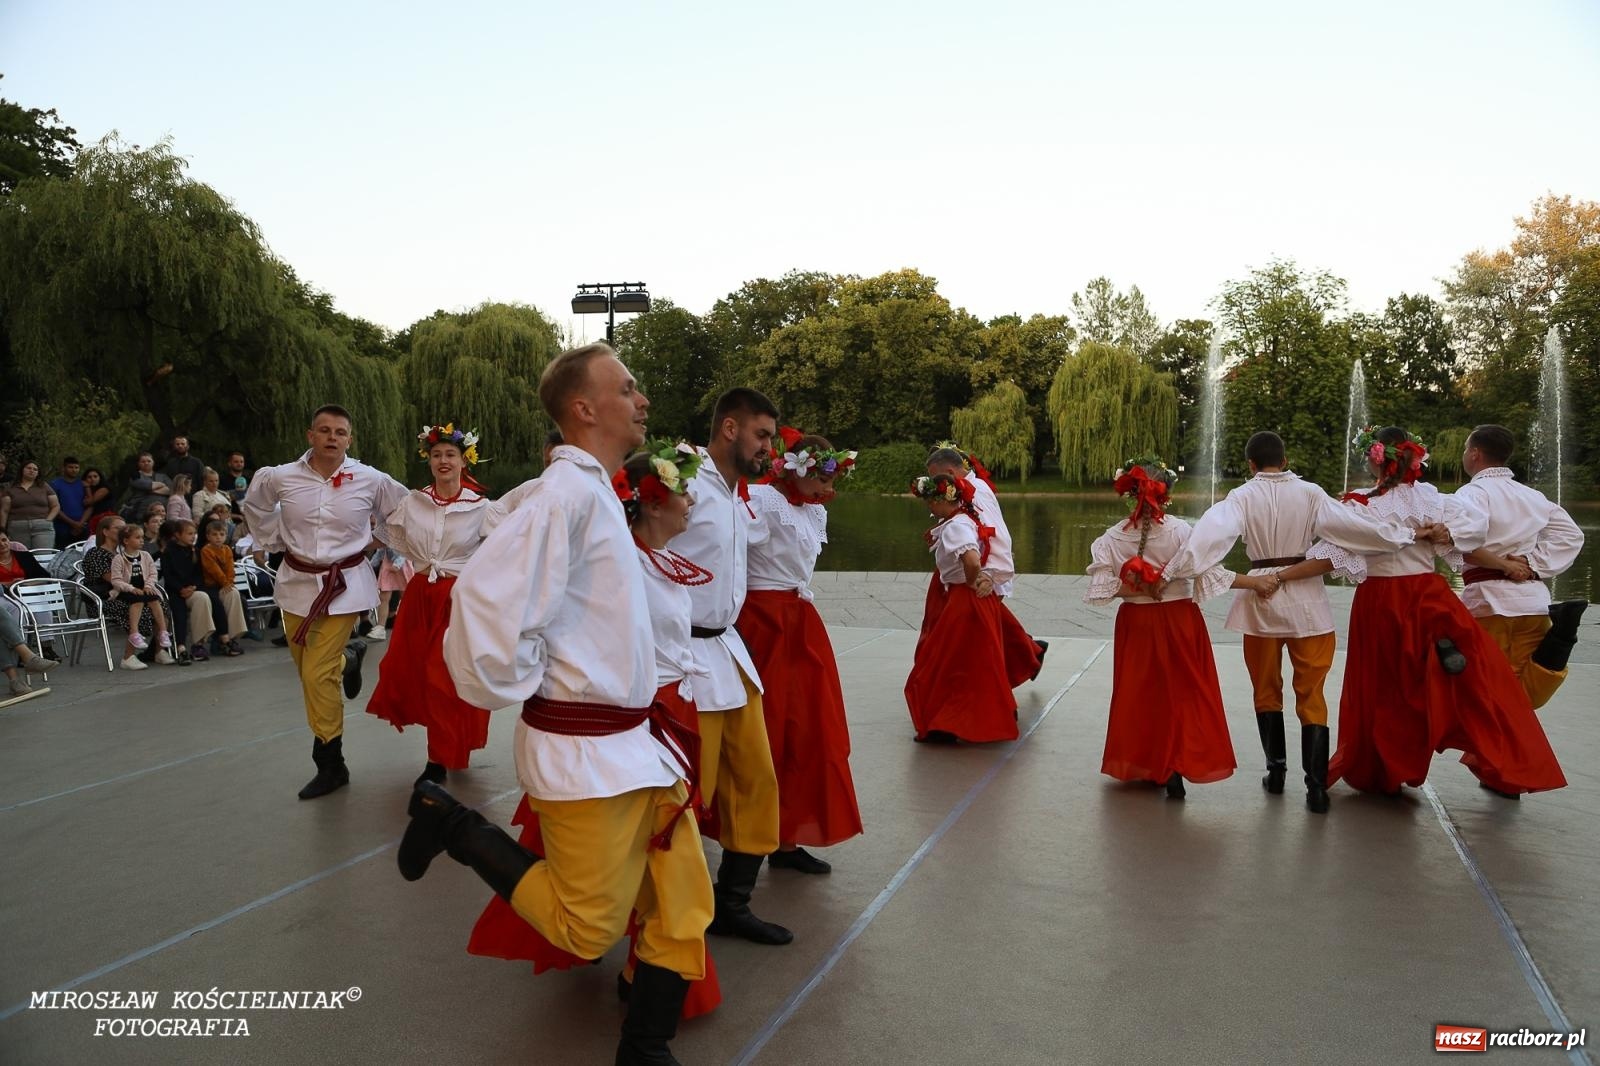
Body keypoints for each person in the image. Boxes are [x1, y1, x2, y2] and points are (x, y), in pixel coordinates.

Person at [405, 343, 713, 1065]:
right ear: (584, 408)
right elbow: (486, 602)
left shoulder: (597, 493)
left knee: (681, 905)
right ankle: (450, 822)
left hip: (638, 746)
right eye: (628, 388)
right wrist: (534, 676)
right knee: (585, 929)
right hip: (585, 751)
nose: (642, 401)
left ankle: (644, 1048)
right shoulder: (565, 495)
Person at [466, 439, 726, 1022]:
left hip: (659, 726)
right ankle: (464, 836)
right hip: (616, 728)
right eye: (682, 492)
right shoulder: (614, 560)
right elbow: (508, 542)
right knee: (604, 906)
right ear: (653, 500)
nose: (692, 503)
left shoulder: (659, 563)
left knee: (677, 880)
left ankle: (646, 1021)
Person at [1278, 426, 1567, 799]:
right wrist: (1447, 534)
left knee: (1381, 687)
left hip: (1381, 601)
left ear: (1373, 458)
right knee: (1457, 682)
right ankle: (1503, 759)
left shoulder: (1358, 504)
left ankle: (1383, 768)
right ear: (1414, 461)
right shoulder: (1431, 500)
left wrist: (1279, 575)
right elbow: (1475, 528)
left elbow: (1331, 547)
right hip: (1429, 598)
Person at [1158, 431, 1416, 812]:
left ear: (1250, 464)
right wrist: (1402, 534)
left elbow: (1209, 536)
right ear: (1286, 458)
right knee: (1312, 695)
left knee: (1266, 692)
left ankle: (1276, 773)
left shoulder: (1242, 497)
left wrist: (1175, 569)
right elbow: (1352, 528)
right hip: (1308, 603)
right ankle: (1316, 788)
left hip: (1260, 604)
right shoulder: (1311, 493)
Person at [667, 386, 792, 946]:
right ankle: (670, 917)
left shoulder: (740, 492)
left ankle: (732, 904)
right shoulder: (680, 480)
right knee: (686, 794)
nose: (771, 446)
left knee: (755, 780)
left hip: (727, 650)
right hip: (681, 657)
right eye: (762, 434)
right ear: (730, 429)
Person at [243, 405, 408, 800]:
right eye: (324, 430)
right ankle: (348, 658)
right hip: (296, 584)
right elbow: (256, 505)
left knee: (316, 677)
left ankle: (330, 762)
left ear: (349, 439)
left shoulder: (371, 479)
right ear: (310, 436)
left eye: (340, 432)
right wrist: (273, 538)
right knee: (308, 669)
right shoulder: (281, 477)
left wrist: (377, 541)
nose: (332, 437)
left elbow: (403, 512)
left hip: (346, 584)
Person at [1083, 457, 1248, 799]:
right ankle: (1176, 764)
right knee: (1183, 693)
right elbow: (1209, 572)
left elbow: (1106, 587)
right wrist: (1259, 583)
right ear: (1168, 494)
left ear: (1131, 494)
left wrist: (1143, 588)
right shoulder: (1183, 532)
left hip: (1137, 622)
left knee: (1141, 693)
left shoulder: (1112, 539)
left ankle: (1147, 761)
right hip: (1180, 619)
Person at [741, 427, 863, 874]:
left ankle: (787, 837)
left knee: (808, 729)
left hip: (799, 620)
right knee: (767, 730)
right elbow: (726, 548)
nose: (829, 491)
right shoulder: (762, 499)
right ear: (798, 470)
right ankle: (749, 842)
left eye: (833, 482)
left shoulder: (812, 512)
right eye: (825, 480)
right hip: (763, 621)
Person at [366, 423, 494, 785]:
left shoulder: (481, 508)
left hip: (460, 600)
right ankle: (443, 749)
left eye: (450, 454)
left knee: (447, 676)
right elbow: (386, 540)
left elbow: (501, 554)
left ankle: (440, 759)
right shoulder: (413, 503)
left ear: (463, 461)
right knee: (421, 675)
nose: (443, 461)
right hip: (420, 596)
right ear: (429, 460)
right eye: (437, 454)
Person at [1454, 424, 1587, 709]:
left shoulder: (1472, 493)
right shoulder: (1533, 496)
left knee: (1482, 688)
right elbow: (1571, 535)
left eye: (1466, 449)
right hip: (1533, 604)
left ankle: (1496, 749)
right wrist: (1531, 562)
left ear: (1475, 453)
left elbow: (1464, 541)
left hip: (1490, 604)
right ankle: (1505, 748)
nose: (1465, 454)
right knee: (1523, 690)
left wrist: (1501, 563)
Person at [905, 473, 1025, 745]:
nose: (928, 507)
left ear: (940, 499)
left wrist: (973, 580)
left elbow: (970, 559)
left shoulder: (956, 526)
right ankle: (978, 716)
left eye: (930, 502)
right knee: (976, 661)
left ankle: (944, 723)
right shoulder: (968, 518)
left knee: (942, 662)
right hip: (976, 601)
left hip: (964, 600)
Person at [926, 443, 1046, 683]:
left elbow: (996, 536)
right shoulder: (968, 488)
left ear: (950, 473)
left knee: (971, 636)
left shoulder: (975, 491)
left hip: (978, 574)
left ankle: (1012, 668)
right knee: (986, 629)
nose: (935, 485)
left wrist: (990, 576)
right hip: (967, 571)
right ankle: (1028, 653)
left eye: (935, 479)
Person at [108, 524, 175, 670]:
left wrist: (149, 586)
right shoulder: (119, 559)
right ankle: (134, 632)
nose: (141, 541)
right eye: (137, 538)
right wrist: (131, 588)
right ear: (126, 541)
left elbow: (152, 574)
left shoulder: (145, 556)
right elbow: (116, 580)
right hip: (127, 590)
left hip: (144, 588)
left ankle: (163, 632)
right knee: (137, 601)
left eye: (142, 538)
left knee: (155, 600)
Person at [0, 539, 60, 697]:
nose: (2, 544)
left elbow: (44, 576)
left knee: (33, 602)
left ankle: (36, 653)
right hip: (7, 597)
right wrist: (7, 585)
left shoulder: (22, 556)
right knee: (7, 608)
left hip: (22, 593)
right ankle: (26, 658)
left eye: (4, 539)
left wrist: (25, 584)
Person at [199, 519, 249, 655]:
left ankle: (233, 637)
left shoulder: (227, 549)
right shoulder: (206, 550)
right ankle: (223, 638)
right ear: (208, 536)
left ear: (226, 536)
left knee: (234, 594)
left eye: (221, 534)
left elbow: (230, 568)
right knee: (218, 602)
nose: (218, 537)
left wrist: (230, 582)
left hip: (225, 584)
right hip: (211, 586)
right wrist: (225, 583)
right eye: (214, 534)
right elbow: (213, 570)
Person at [2, 460, 60, 550]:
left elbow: (55, 506)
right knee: (22, 557)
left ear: (38, 473)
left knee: (42, 556)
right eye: (28, 468)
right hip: (18, 527)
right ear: (22, 470)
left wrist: (48, 520)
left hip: (42, 526)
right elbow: (4, 510)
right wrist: (2, 529)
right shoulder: (10, 488)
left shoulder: (44, 486)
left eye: (35, 469)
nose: (32, 470)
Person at [49, 457, 90, 548]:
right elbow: (54, 507)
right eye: (70, 467)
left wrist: (80, 524)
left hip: (82, 527)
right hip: (62, 527)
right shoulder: (55, 484)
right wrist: (73, 523)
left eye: (76, 467)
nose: (74, 470)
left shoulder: (83, 484)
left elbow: (90, 505)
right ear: (63, 468)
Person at [123, 452, 172, 519]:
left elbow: (172, 490)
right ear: (138, 464)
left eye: (149, 461)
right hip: (142, 512)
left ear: (153, 462)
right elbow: (148, 486)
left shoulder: (163, 476)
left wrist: (151, 490)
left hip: (163, 512)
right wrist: (162, 485)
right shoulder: (135, 475)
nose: (146, 463)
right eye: (143, 461)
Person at [79, 468, 114, 540]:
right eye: (89, 477)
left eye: (95, 476)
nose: (92, 479)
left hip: (105, 518)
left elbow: (90, 502)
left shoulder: (105, 488)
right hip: (92, 520)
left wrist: (87, 487)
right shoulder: (86, 490)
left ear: (100, 477)